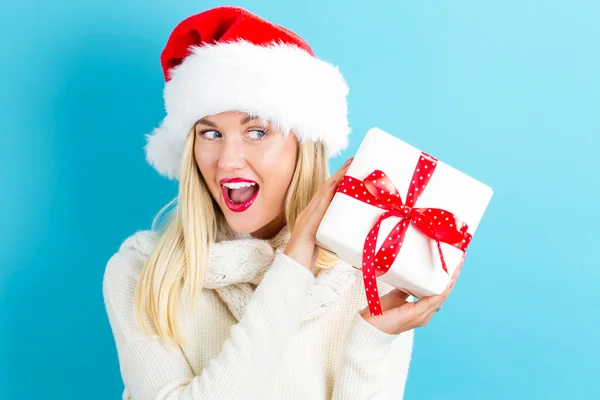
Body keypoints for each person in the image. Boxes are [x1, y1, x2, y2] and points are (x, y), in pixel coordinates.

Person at [102, 6, 462, 400]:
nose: (227, 160)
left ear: (302, 148)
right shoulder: (142, 273)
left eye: (256, 131)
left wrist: (371, 342)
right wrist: (292, 267)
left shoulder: (368, 270)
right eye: (210, 134)